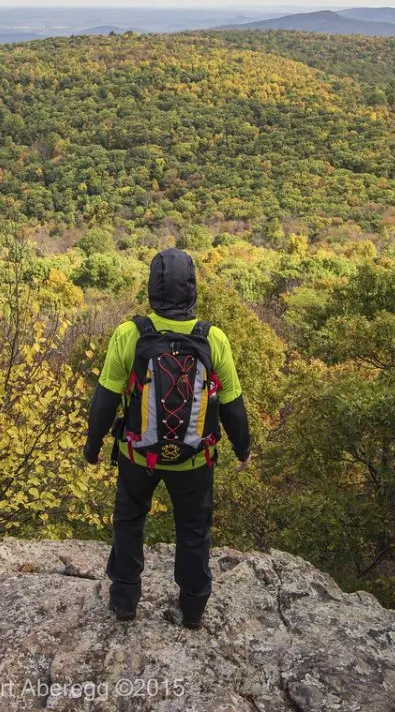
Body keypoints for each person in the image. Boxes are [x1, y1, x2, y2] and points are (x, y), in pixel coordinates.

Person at [83, 247, 251, 628]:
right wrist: (244, 448)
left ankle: (125, 601)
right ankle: (193, 610)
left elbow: (105, 400)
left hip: (138, 455)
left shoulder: (130, 334)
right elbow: (231, 403)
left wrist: (92, 449)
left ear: (152, 290)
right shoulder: (214, 339)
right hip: (195, 459)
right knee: (193, 532)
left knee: (129, 521)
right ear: (192, 289)